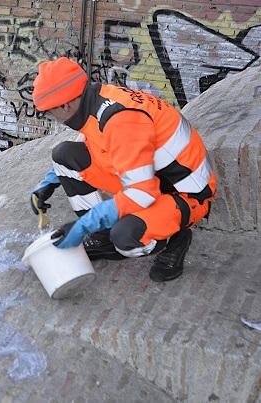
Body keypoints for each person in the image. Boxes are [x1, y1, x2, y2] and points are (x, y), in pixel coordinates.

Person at [30, 57, 217, 282]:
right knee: (64, 156)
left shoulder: (120, 120)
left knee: (126, 237)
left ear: (65, 105)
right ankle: (103, 240)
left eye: (49, 112)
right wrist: (47, 184)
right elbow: (89, 145)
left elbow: (142, 193)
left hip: (186, 194)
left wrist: (82, 225)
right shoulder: (96, 101)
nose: (52, 118)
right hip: (153, 179)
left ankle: (176, 234)